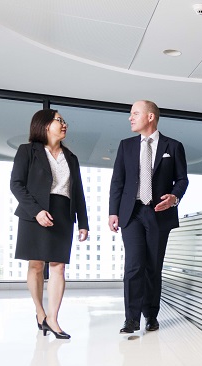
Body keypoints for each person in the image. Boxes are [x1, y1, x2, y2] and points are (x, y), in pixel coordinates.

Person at [108, 100, 188, 334]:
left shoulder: (173, 146)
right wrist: (113, 211)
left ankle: (150, 315)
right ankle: (131, 319)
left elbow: (182, 179)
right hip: (131, 213)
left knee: (153, 266)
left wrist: (174, 197)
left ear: (150, 117)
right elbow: (118, 182)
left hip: (158, 213)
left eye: (135, 113)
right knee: (133, 265)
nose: (130, 118)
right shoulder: (126, 146)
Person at [11, 109, 89, 339]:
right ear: (44, 125)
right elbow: (16, 184)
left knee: (59, 267)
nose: (64, 124)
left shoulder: (71, 158)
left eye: (64, 121)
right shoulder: (27, 151)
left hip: (62, 212)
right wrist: (36, 211)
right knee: (35, 265)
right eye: (59, 120)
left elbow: (78, 192)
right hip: (33, 212)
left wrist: (83, 222)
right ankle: (40, 312)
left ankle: (53, 319)